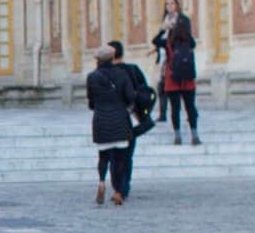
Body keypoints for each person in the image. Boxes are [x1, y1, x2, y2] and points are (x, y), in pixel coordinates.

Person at [86, 43, 134, 206]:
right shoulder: (121, 74)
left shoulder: (92, 77)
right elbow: (130, 97)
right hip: (119, 118)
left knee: (103, 156)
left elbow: (91, 102)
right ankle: (119, 192)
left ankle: (101, 181)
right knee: (120, 159)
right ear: (113, 58)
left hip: (101, 119)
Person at [108, 40, 155, 199]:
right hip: (132, 118)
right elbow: (146, 92)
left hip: (113, 119)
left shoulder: (105, 73)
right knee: (127, 154)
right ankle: (124, 186)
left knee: (114, 154)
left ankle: (118, 187)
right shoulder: (133, 70)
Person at [164, 13, 202, 146]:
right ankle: (194, 134)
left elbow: (155, 41)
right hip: (188, 79)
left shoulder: (169, 41)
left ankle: (177, 136)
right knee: (190, 107)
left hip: (172, 79)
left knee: (175, 109)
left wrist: (166, 28)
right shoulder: (190, 42)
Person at [151, 0, 184, 123]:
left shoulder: (181, 21)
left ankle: (188, 112)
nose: (169, 6)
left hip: (175, 58)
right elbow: (158, 40)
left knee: (179, 88)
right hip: (164, 58)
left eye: (172, 3)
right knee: (162, 86)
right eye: (167, 4)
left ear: (176, 6)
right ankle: (163, 113)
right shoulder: (165, 21)